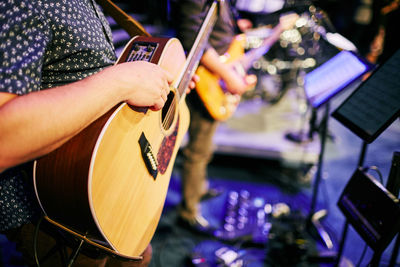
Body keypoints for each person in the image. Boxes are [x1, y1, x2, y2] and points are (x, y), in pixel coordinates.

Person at [0, 0, 197, 266]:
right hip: (52, 207)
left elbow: (72, 71)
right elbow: (5, 138)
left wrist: (158, 81)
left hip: (99, 187)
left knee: (140, 256)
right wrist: (121, 82)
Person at [174, 0, 257, 232]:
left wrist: (234, 24)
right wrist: (228, 76)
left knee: (205, 144)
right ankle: (188, 211)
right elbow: (192, 39)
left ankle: (199, 188)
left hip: (217, 68)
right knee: (198, 150)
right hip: (205, 74)